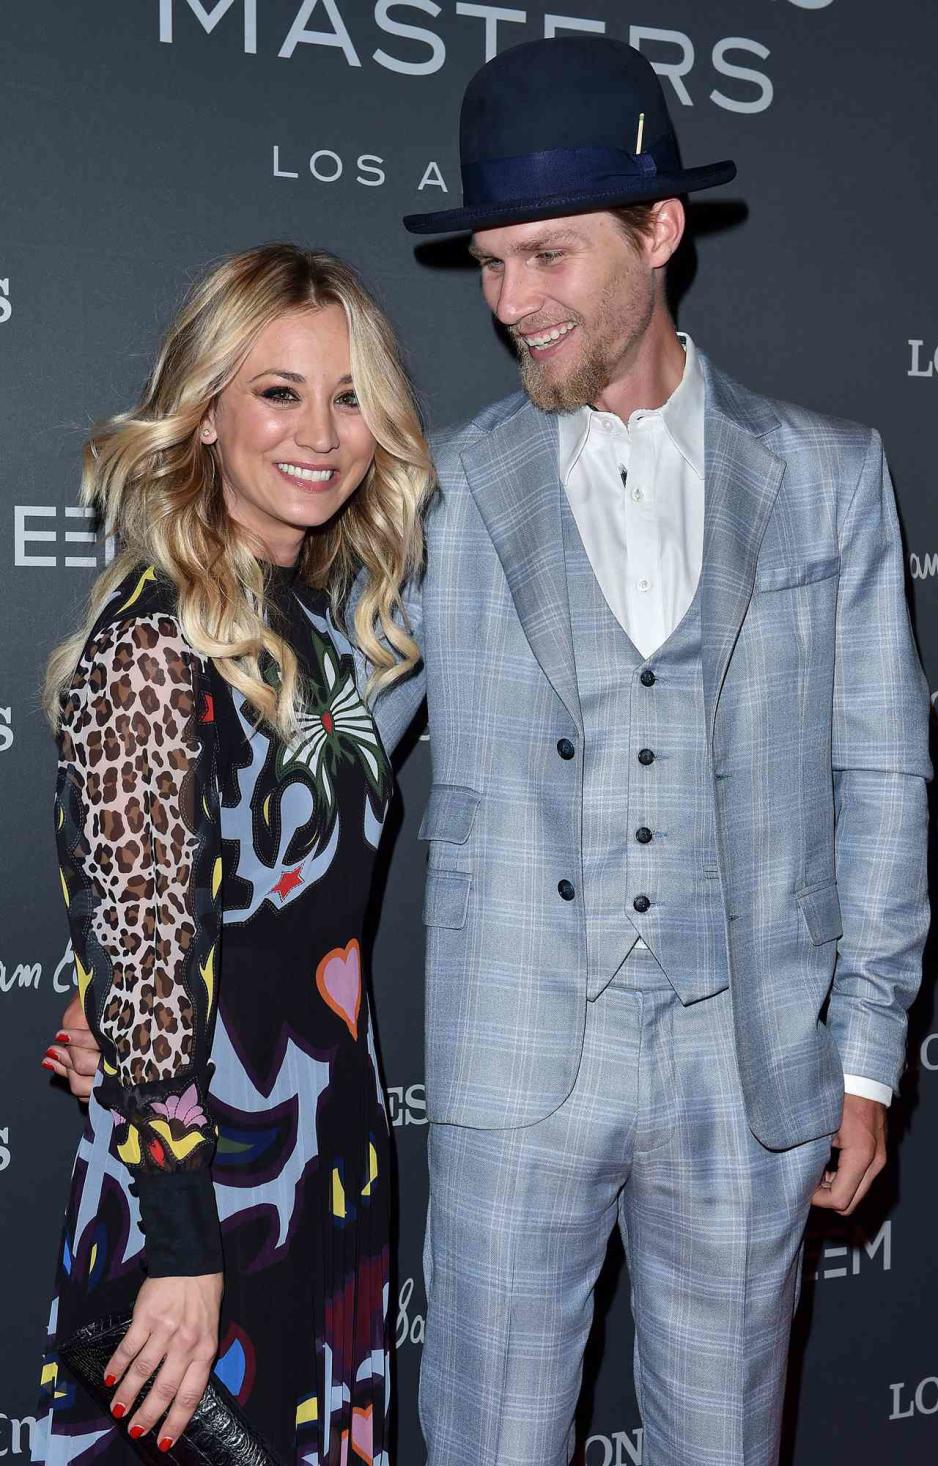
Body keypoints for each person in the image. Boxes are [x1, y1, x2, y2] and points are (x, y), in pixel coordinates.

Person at [50, 35, 933, 1466]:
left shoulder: (829, 477)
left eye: (545, 257)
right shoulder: (438, 494)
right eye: (491, 262)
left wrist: (873, 1060)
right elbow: (297, 752)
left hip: (751, 1071)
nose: (508, 303)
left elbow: (886, 782)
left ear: (658, 231)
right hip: (518, 1070)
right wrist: (125, 969)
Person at [35, 242, 432, 1464]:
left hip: (331, 1153)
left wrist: (112, 975)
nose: (321, 430)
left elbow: (209, 923)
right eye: (279, 390)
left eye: (351, 393)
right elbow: (152, 981)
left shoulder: (319, 621)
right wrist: (185, 1249)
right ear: (206, 411)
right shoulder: (152, 649)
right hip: (206, 1185)